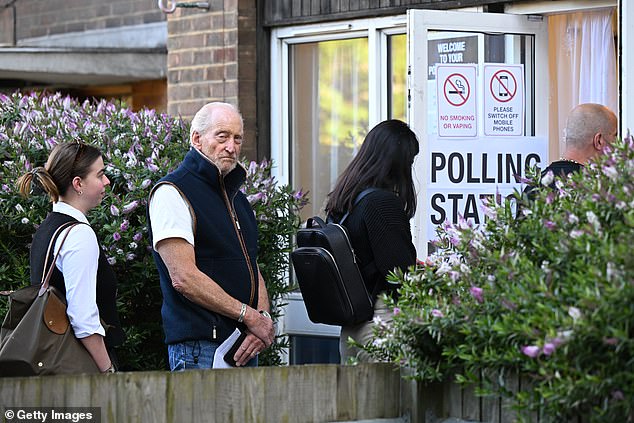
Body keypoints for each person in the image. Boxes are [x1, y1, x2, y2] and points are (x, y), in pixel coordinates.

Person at [148, 102, 274, 370]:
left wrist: (261, 320)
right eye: (222, 136)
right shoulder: (172, 192)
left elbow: (253, 267)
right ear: (197, 139)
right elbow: (183, 278)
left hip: (244, 345)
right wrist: (248, 316)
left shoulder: (238, 199)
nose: (231, 146)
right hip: (200, 348)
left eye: (237, 138)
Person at [17, 141, 125, 373]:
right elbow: (83, 318)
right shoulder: (78, 234)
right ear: (78, 184)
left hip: (52, 361)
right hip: (79, 366)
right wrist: (108, 371)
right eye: (100, 175)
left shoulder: (48, 229)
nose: (106, 182)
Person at [324, 119, 419, 363]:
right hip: (382, 325)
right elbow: (399, 274)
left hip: (351, 329)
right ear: (397, 162)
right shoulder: (382, 203)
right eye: (409, 161)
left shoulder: (345, 200)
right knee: (397, 401)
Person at [524, 103, 617, 197]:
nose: (617, 144)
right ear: (599, 140)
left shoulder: (533, 188)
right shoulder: (597, 191)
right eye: (615, 136)